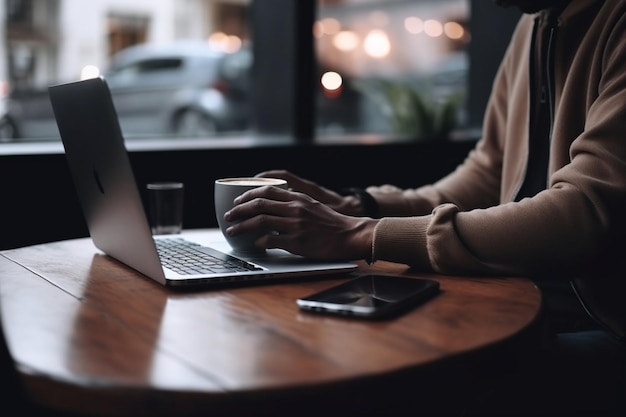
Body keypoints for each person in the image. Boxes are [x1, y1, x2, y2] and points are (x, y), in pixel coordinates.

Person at [225, 0, 626, 414]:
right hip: (527, 298)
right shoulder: (535, 22)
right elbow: (486, 177)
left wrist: (356, 233)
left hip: (604, 324)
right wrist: (357, 206)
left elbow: (583, 215)